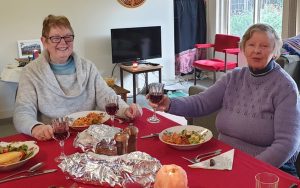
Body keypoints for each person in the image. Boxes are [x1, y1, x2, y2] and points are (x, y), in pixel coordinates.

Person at [149, 23, 300, 176]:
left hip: (266, 170)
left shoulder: (285, 87)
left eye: (265, 46)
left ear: (275, 52)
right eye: (251, 45)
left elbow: (287, 144)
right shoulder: (234, 76)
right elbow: (202, 102)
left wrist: (250, 169)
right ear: (243, 49)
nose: (256, 51)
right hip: (224, 160)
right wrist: (170, 103)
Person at [13, 14, 140, 141]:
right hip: (54, 137)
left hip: (89, 136)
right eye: (55, 38)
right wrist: (35, 127)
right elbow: (22, 111)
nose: (63, 42)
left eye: (68, 37)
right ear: (44, 42)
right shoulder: (31, 72)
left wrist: (125, 109)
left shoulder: (88, 67)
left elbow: (105, 95)